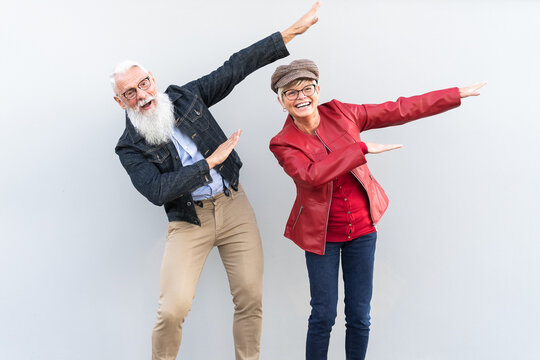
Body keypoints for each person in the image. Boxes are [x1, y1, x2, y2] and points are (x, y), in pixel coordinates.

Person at [110, 3, 321, 359]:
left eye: (143, 84)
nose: (142, 95)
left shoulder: (187, 96)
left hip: (233, 206)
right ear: (121, 102)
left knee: (250, 297)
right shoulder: (129, 146)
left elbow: (235, 67)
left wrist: (291, 33)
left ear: (153, 80)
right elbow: (158, 191)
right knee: (172, 310)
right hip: (188, 221)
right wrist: (210, 162)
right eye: (130, 92)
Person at [268, 59, 485, 360]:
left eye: (307, 88)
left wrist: (453, 95)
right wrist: (361, 149)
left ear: (318, 90)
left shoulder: (342, 112)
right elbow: (311, 175)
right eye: (290, 92)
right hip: (322, 238)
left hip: (362, 229)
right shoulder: (282, 143)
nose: (301, 96)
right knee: (323, 316)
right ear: (281, 101)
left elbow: (398, 109)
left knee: (359, 315)